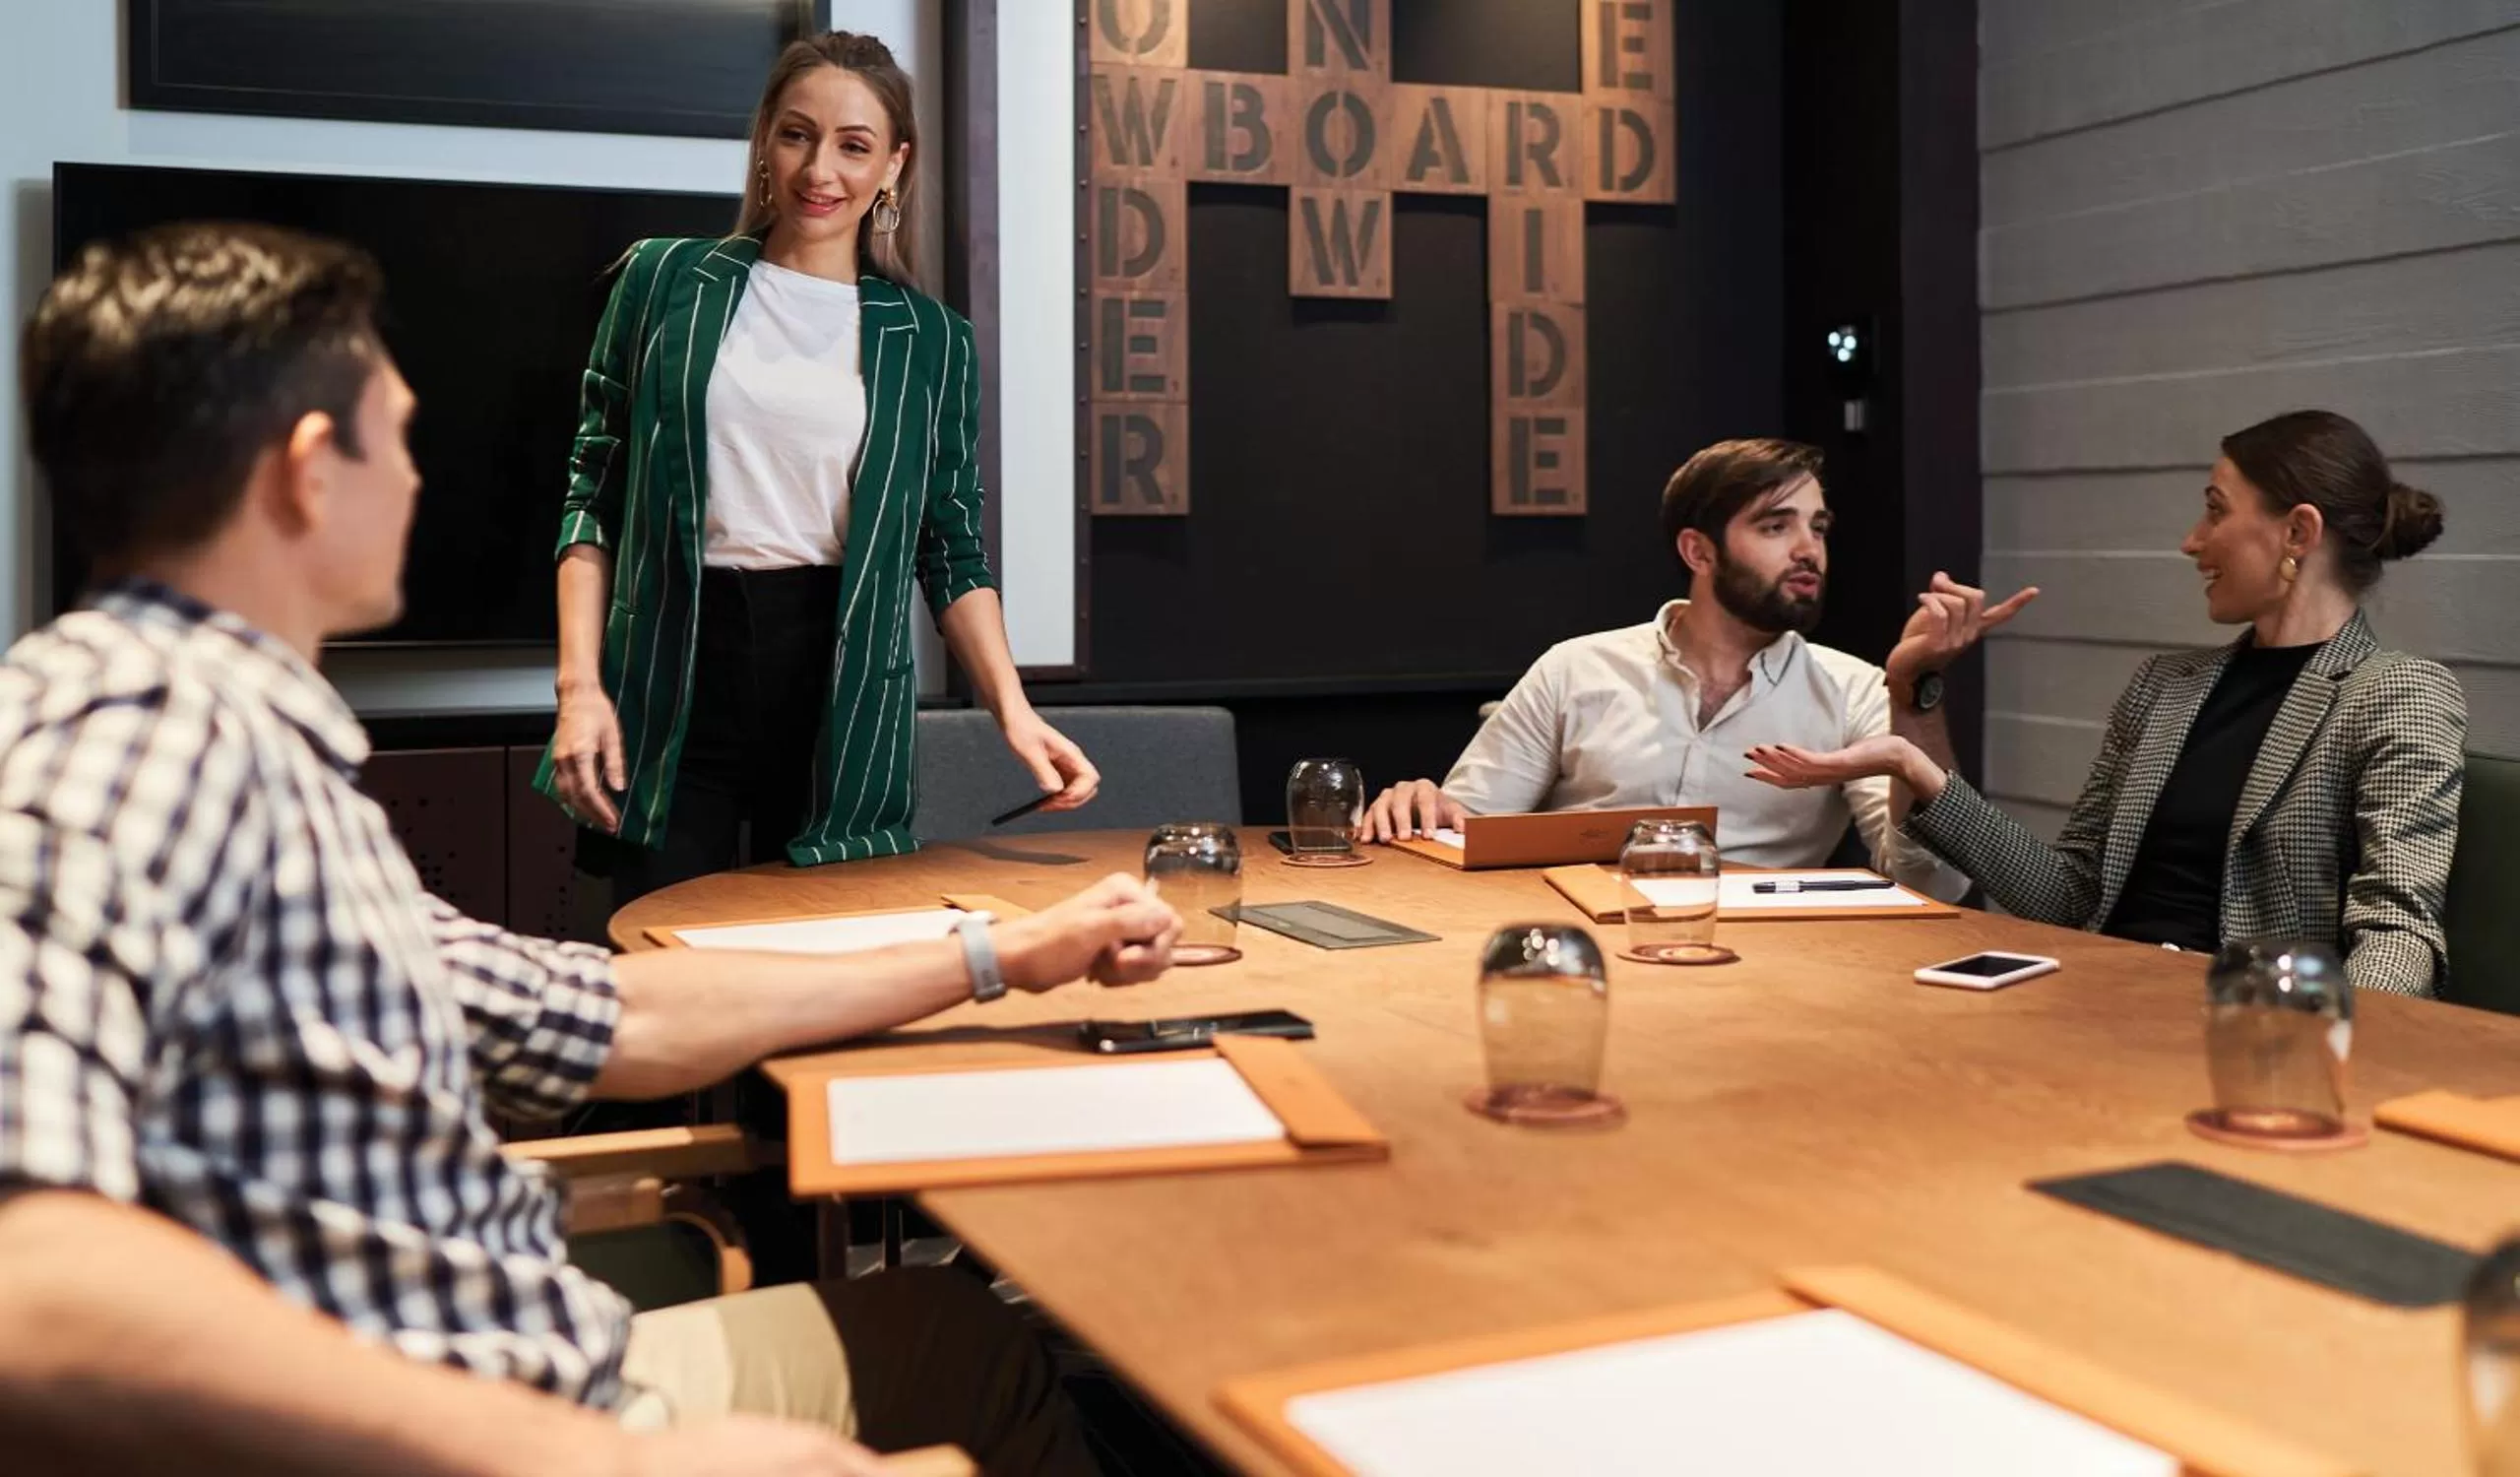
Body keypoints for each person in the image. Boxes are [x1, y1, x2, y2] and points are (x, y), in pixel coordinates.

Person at [1, 221, 1181, 1473]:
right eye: (399, 436)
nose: (416, 477)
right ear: (307, 470)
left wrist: (1003, 954)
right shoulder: (128, 741)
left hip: (520, 1353)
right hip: (511, 1418)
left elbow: (616, 1012)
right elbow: (35, 1283)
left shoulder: (245, 751)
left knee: (965, 1337)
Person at [540, 31, 1095, 908]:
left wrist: (1014, 711)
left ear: (894, 166)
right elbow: (592, 502)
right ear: (765, 138)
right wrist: (580, 690)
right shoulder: (661, 281)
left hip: (841, 691)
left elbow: (950, 551)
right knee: (676, 974)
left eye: (854, 145)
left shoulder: (934, 342)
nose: (819, 170)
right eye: (798, 134)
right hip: (676, 679)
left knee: (831, 973)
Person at [1746, 410, 2463, 996]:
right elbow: (2070, 898)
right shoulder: (2165, 686)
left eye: (2215, 512)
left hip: (2246, 1031)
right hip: (2099, 998)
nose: (2192, 541)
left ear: (2298, 533)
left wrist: (2318, 1051)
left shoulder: (2395, 693)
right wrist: (1913, 759)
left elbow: (2398, 933)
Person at [1359, 439, 2008, 900]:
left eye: (1818, 527)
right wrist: (1425, 807)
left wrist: (1916, 695)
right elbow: (1466, 834)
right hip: (1576, 945)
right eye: (1776, 527)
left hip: (1763, 970)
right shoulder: (1576, 669)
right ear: (1699, 551)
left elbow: (1935, 887)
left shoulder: (1856, 690)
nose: (1810, 549)